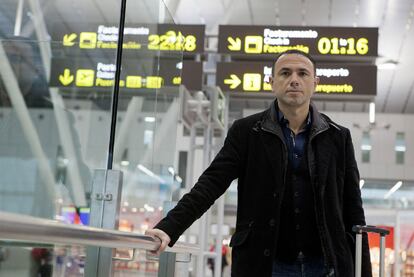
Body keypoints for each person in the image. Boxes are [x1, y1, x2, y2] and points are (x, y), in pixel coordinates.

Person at [145, 50, 372, 277]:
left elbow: (353, 209)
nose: (294, 79)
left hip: (325, 265)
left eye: (302, 73)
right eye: (285, 73)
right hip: (265, 264)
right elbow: (211, 183)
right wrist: (169, 227)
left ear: (315, 83)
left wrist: (364, 272)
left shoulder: (337, 137)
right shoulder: (247, 132)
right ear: (272, 82)